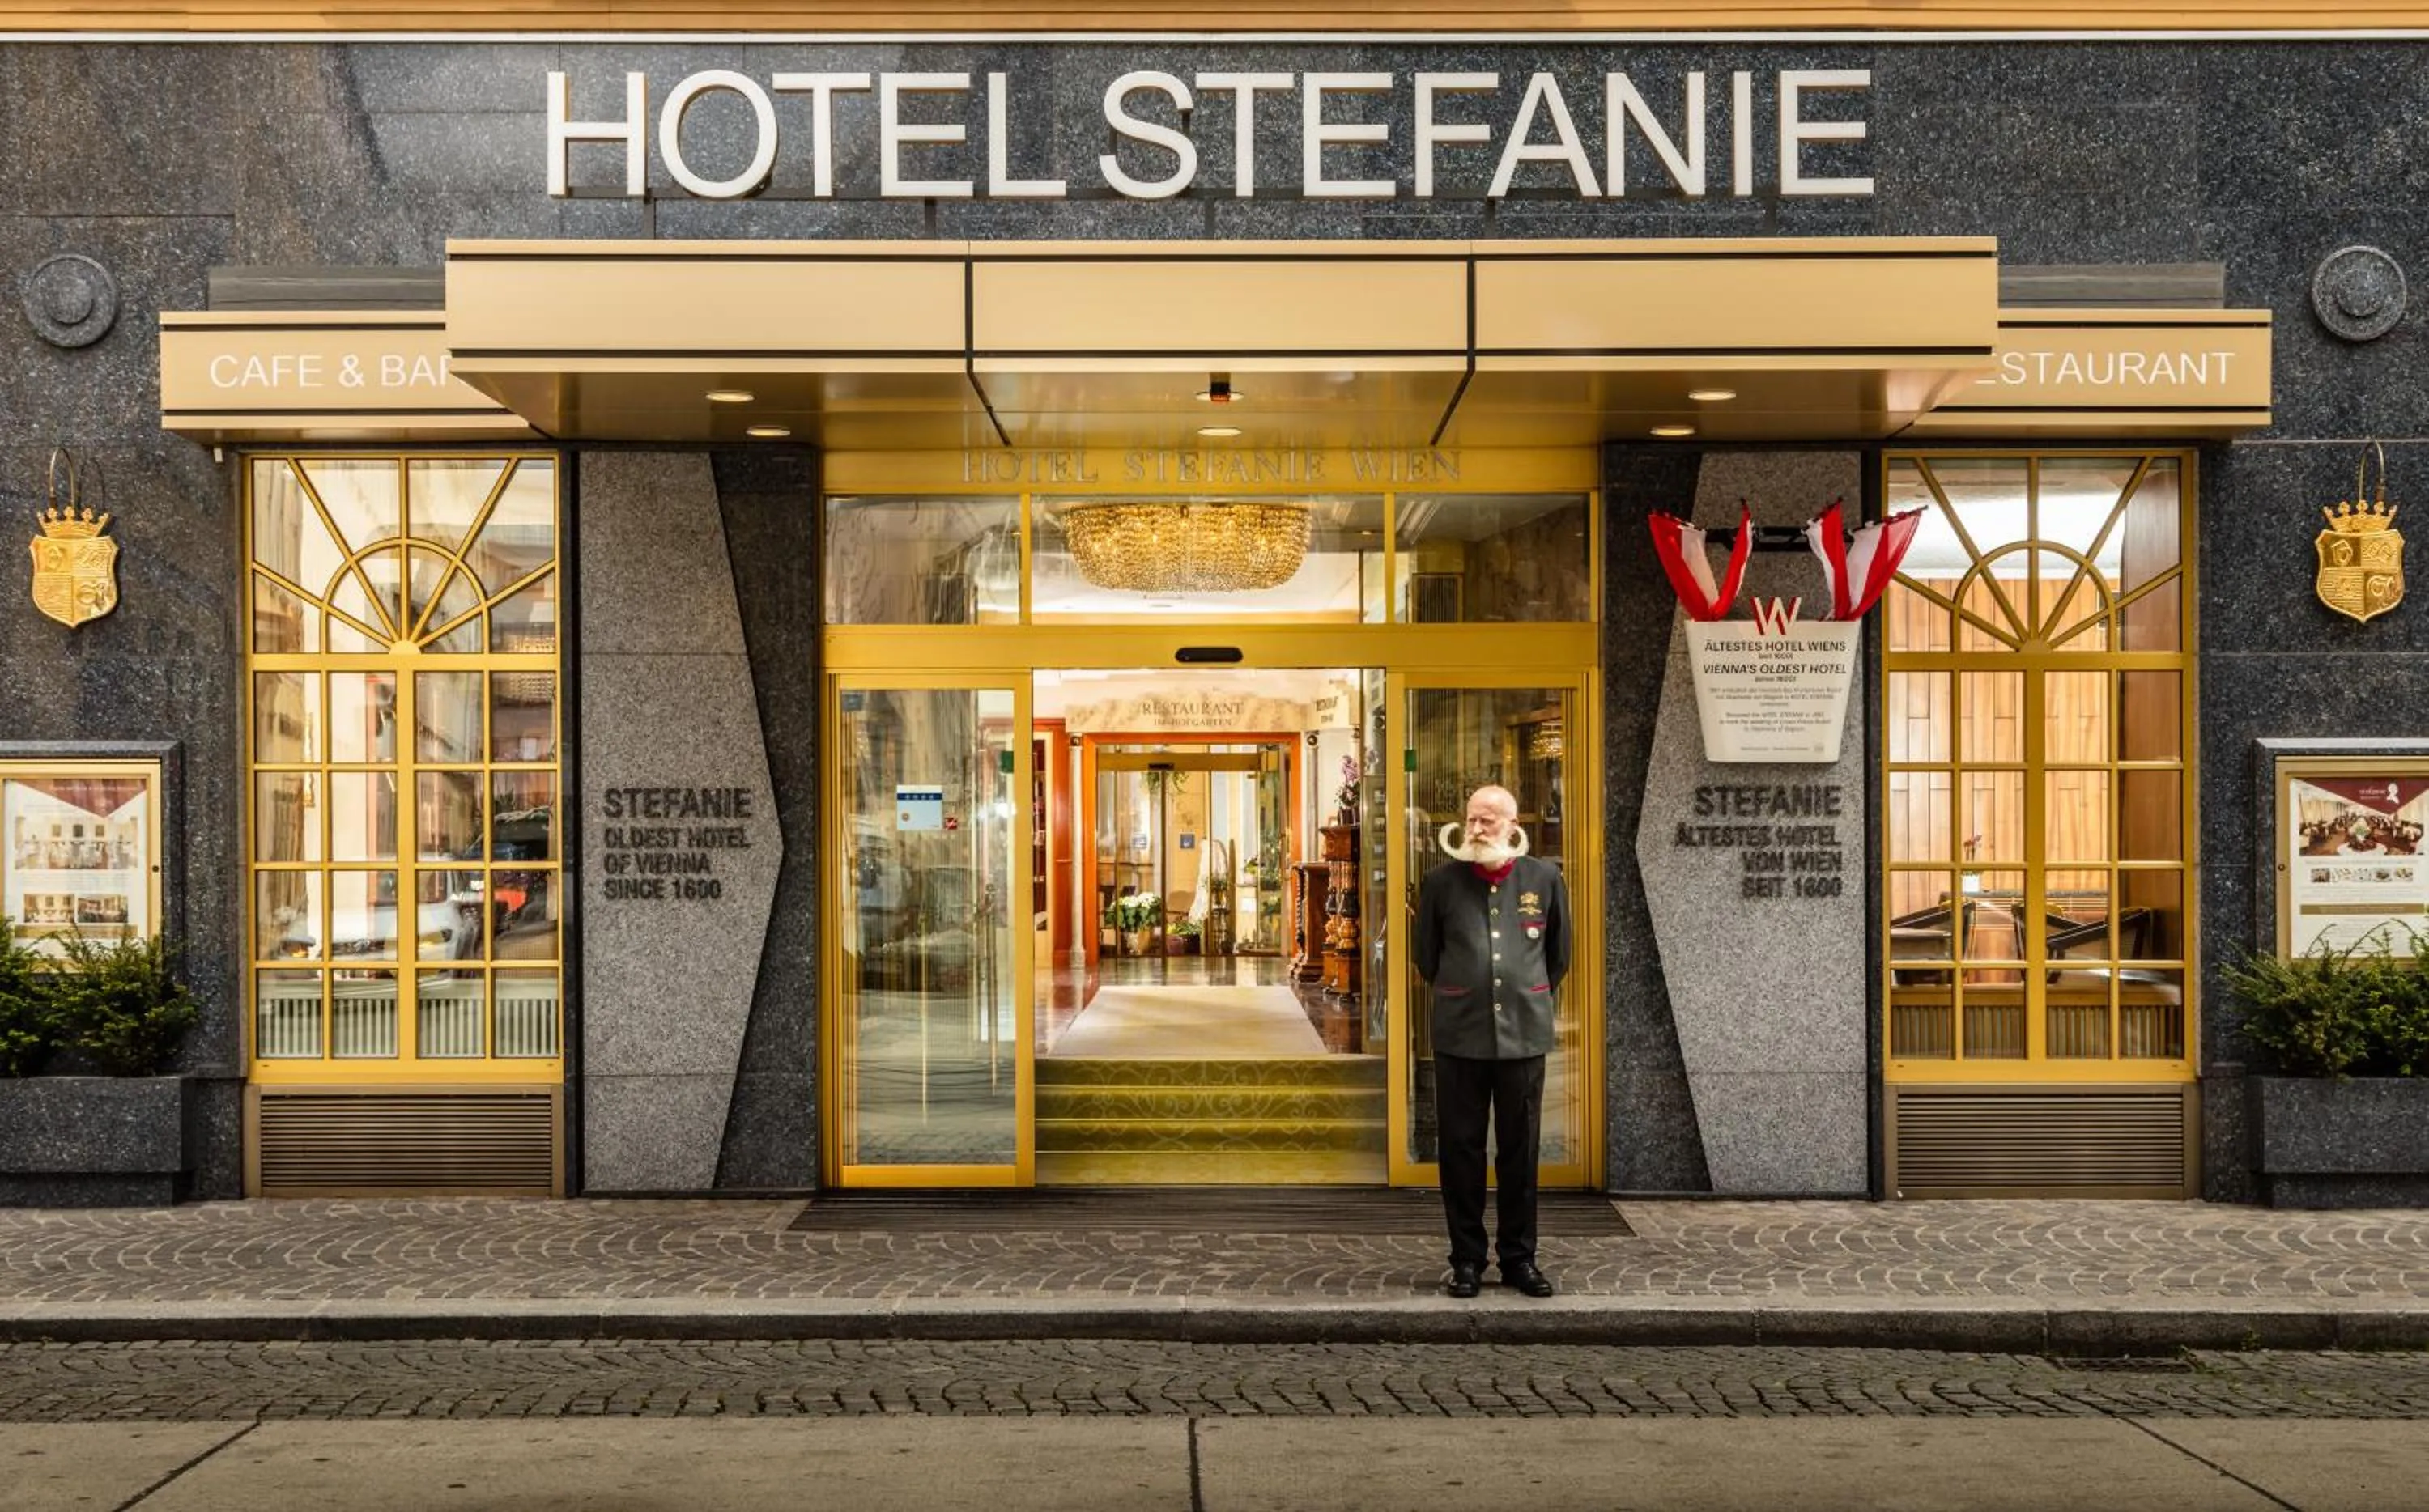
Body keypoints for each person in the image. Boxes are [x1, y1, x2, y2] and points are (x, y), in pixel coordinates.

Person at [1412, 783, 1571, 1299]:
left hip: (1523, 1036)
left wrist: (1528, 995)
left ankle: (1520, 1260)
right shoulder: (1440, 883)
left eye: (1490, 821)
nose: (1478, 830)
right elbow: (1427, 959)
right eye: (1473, 819)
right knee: (1460, 1151)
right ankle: (1466, 1261)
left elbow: (1558, 955)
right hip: (1460, 1034)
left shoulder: (1544, 879)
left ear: (1513, 824)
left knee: (1520, 1154)